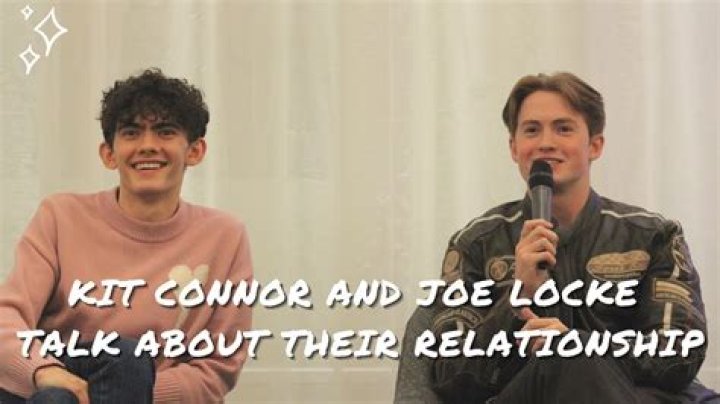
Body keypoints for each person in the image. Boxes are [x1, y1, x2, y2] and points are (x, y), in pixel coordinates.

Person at [395, 72, 718, 403]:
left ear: (595, 145)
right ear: (514, 148)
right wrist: (517, 298)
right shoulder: (476, 243)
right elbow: (450, 376)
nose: (546, 142)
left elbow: (679, 355)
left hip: (631, 396)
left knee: (570, 360)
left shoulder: (653, 236)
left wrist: (578, 345)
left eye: (563, 128)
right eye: (532, 130)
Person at [0, 68, 253, 403]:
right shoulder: (59, 216)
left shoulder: (225, 236)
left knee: (125, 360)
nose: (147, 146)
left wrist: (126, 390)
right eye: (132, 133)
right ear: (109, 154)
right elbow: (7, 317)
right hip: (54, 375)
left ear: (195, 151)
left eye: (165, 132)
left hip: (141, 390)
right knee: (63, 394)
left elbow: (218, 367)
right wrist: (42, 370)